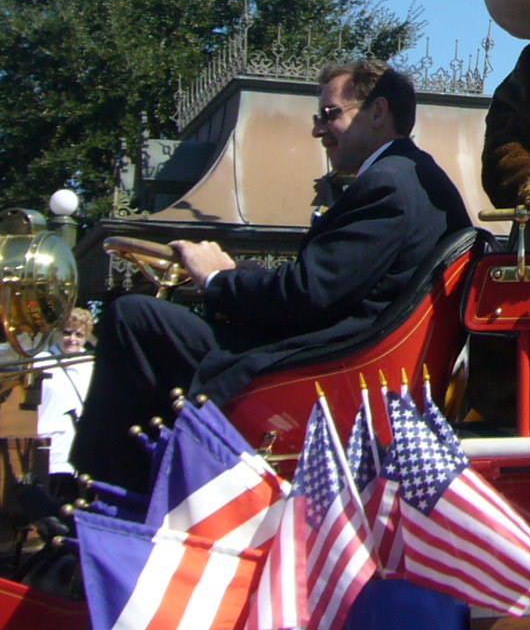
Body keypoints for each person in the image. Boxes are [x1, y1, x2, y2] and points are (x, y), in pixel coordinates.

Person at [71, 60, 472, 491]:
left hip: (323, 367)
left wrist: (217, 278)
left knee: (134, 319)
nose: (318, 130)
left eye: (330, 114)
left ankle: (100, 492)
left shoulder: (387, 184)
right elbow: (335, 285)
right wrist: (247, 276)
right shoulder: (411, 176)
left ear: (378, 113)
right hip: (346, 360)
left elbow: (309, 293)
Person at [36, 308, 94, 493]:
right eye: (67, 332)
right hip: (49, 452)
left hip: (79, 456)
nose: (72, 339)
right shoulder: (40, 362)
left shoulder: (91, 365)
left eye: (79, 334)